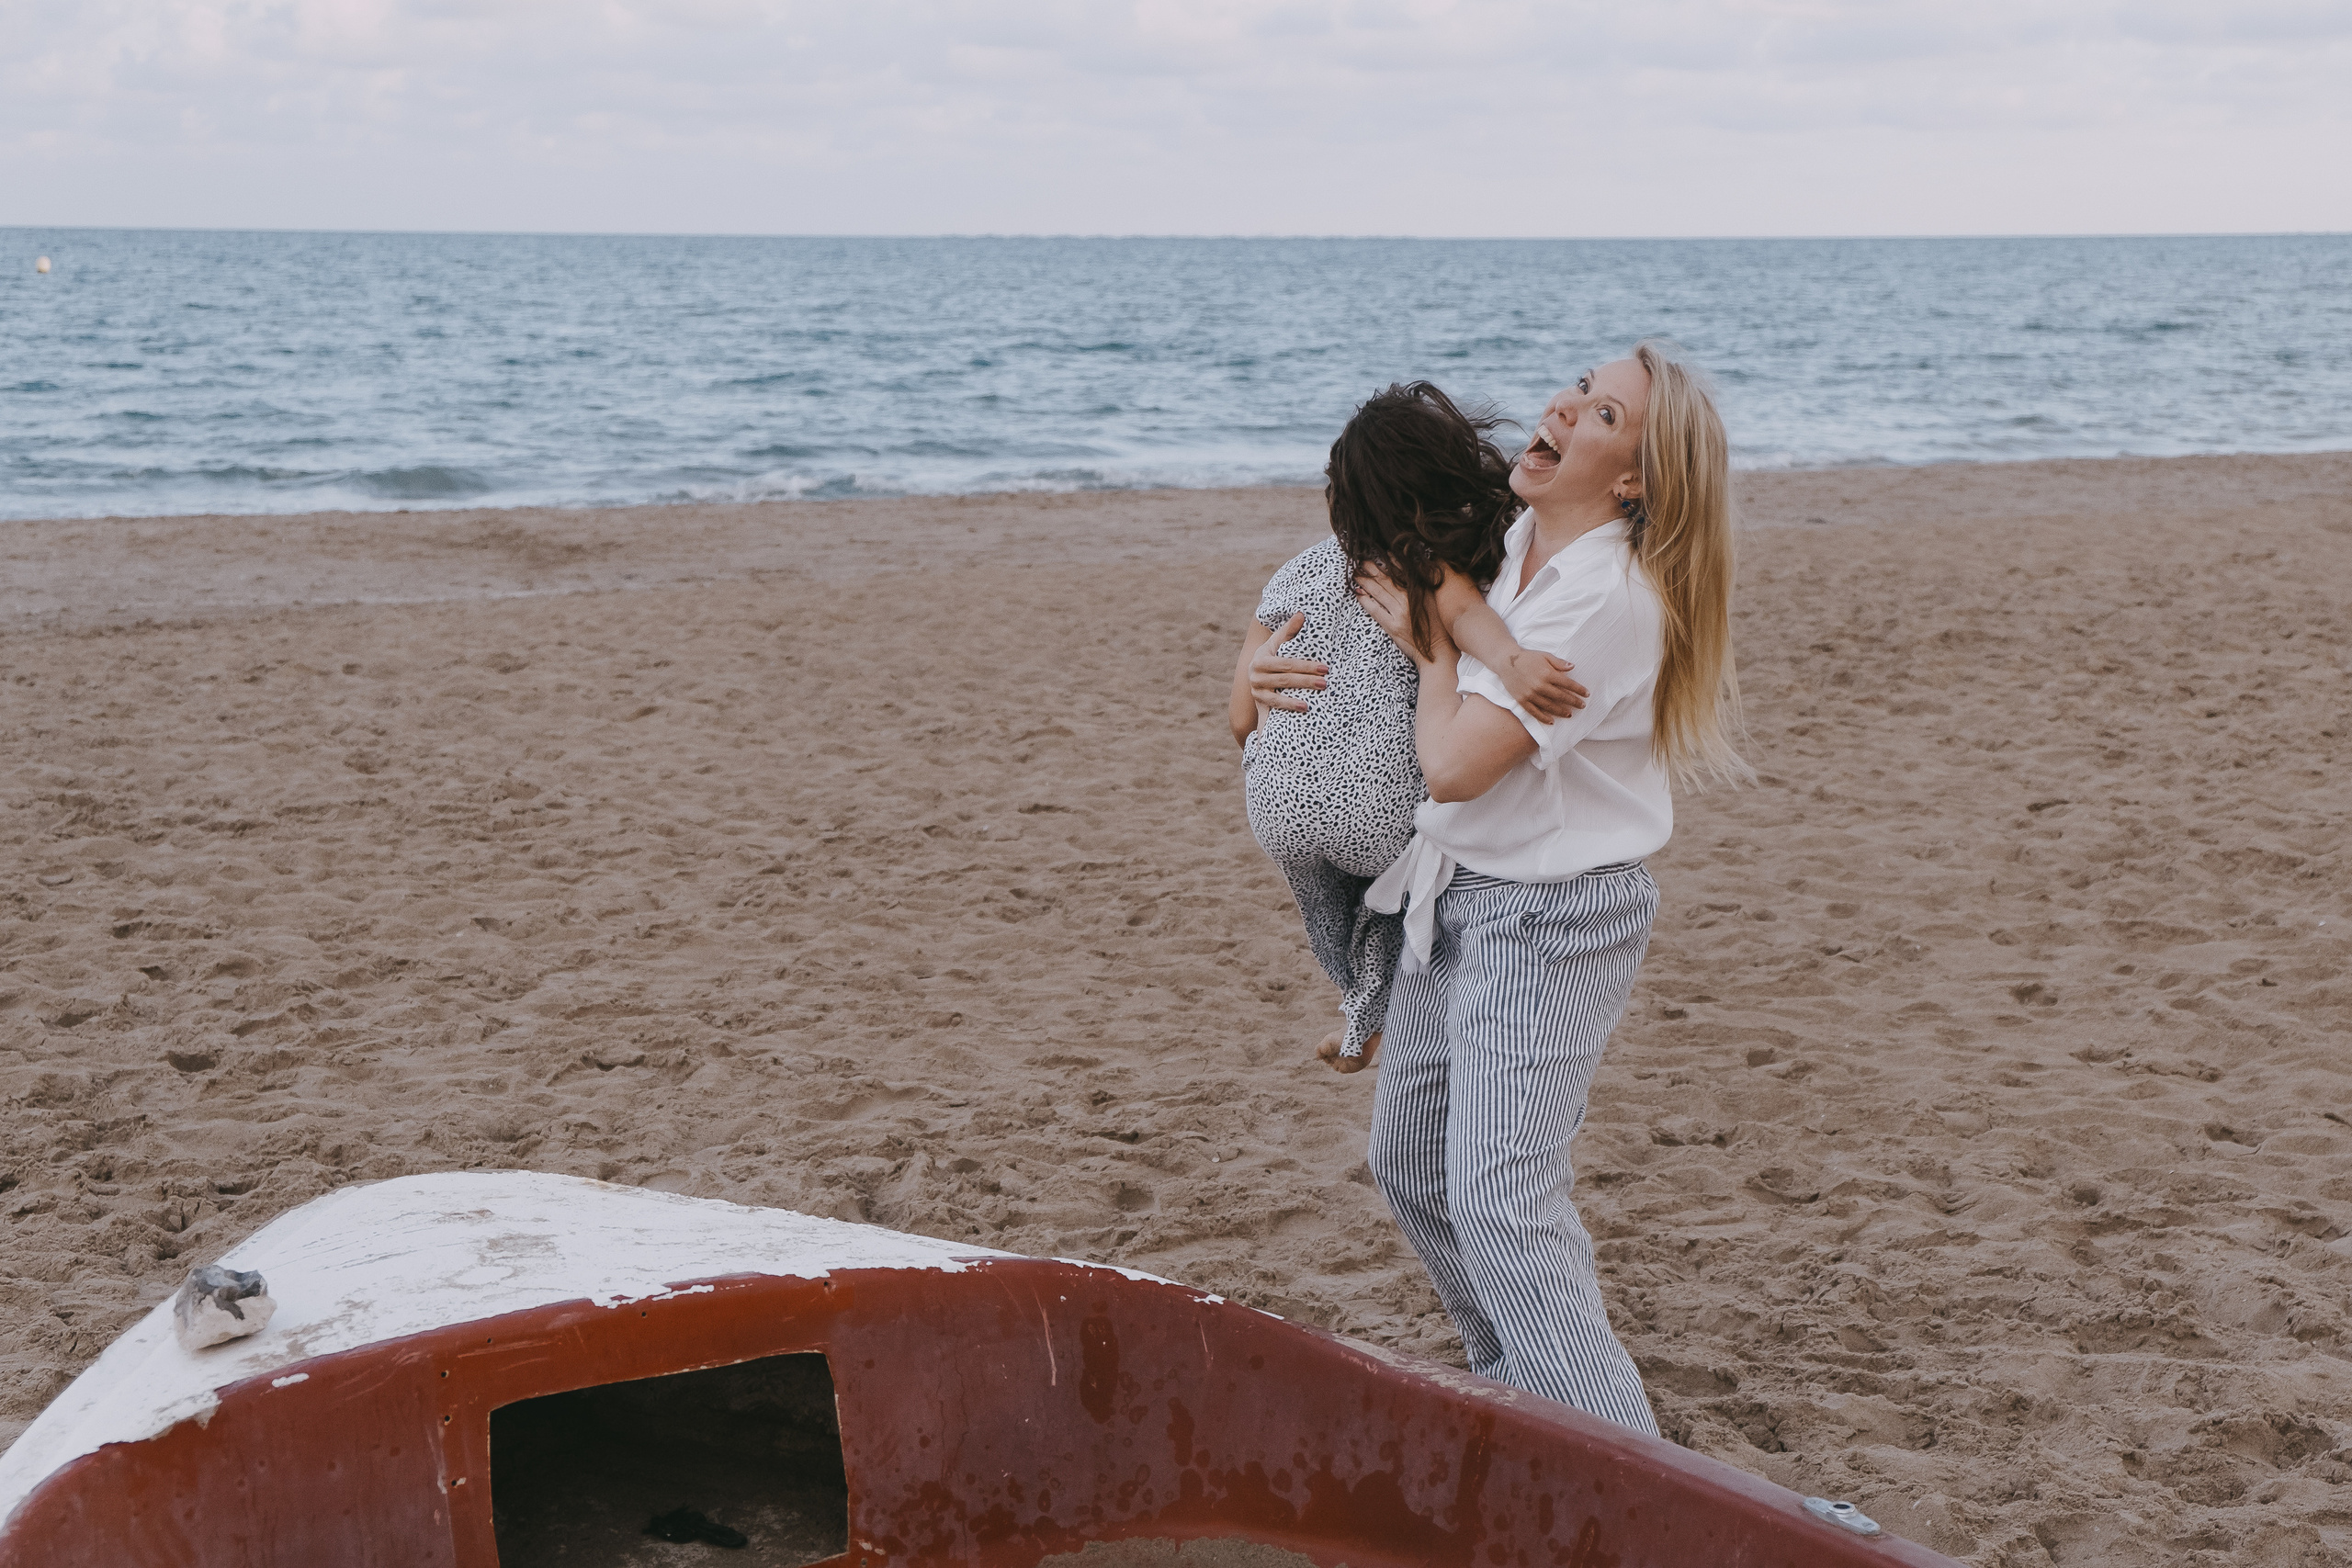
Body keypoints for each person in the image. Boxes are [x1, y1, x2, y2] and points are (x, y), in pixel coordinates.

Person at [1252, 341, 1742, 1433]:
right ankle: (1523, 1393)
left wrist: (1433, 661)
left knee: (1502, 1200)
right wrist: (1244, 669)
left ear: (1634, 480)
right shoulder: (1517, 541)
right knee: (1412, 1168)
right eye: (1578, 386)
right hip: (1457, 894)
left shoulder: (1606, 598)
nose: (1566, 408)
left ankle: (1627, 1472)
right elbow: (1381, 567)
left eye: (1604, 414)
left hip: (1554, 918)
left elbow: (1458, 766)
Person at [1229, 383, 1589, 1069]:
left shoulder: (1295, 574)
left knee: (1329, 906)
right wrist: (1512, 663)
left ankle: (1357, 1008)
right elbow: (1466, 620)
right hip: (1378, 813)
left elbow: (1241, 721)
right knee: (1394, 895)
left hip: (1274, 809)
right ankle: (1374, 1012)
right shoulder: (1427, 564)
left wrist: (1257, 684)